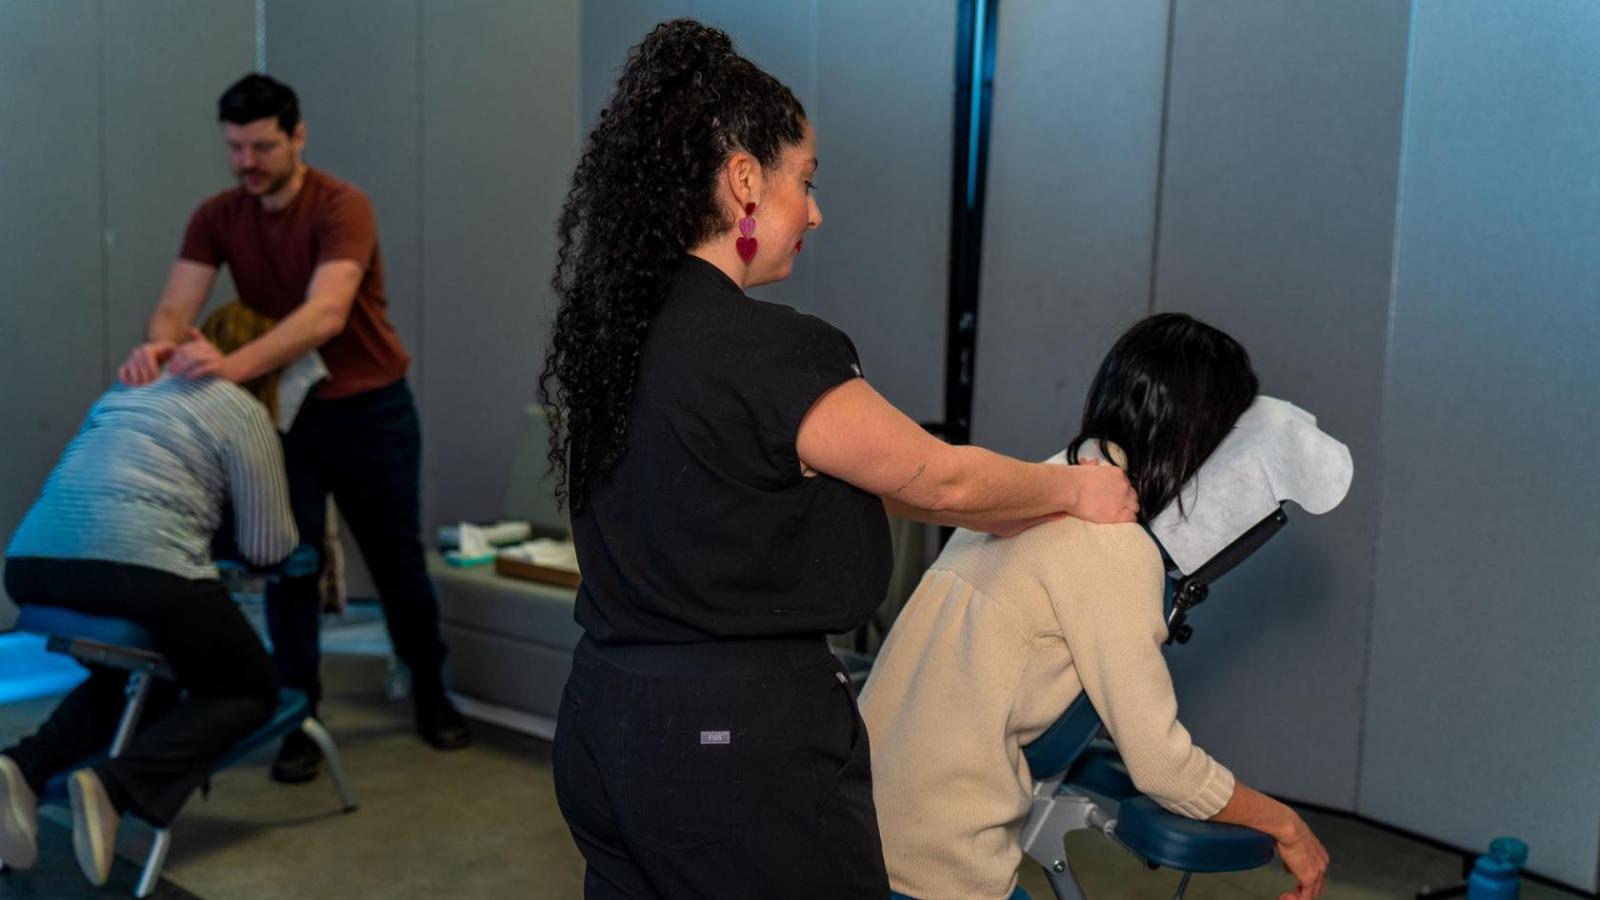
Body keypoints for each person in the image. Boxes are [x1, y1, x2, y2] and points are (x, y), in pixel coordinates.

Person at [540, 20, 1139, 900]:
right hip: (735, 744)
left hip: (604, 718)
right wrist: (1077, 490)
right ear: (746, 180)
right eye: (806, 181)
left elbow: (855, 481)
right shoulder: (772, 350)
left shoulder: (614, 341)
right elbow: (939, 478)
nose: (814, 212)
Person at [859, 313, 1331, 900]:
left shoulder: (1032, 485)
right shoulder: (1113, 548)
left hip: (851, 828)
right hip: (930, 869)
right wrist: (1288, 826)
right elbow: (1165, 769)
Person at [116, 73, 470, 784]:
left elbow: (324, 315)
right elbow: (175, 307)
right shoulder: (219, 214)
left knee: (396, 561)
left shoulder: (342, 205)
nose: (246, 162)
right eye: (235, 148)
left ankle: (431, 691)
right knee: (290, 565)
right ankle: (298, 719)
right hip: (288, 415)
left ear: (298, 136)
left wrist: (226, 368)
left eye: (262, 147)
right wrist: (157, 348)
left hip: (370, 408)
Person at [0, 303, 294, 887]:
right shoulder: (242, 408)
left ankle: (22, 767)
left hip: (31, 564)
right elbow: (267, 547)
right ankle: (116, 787)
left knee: (145, 678)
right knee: (249, 688)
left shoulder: (127, 391)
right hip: (141, 569)